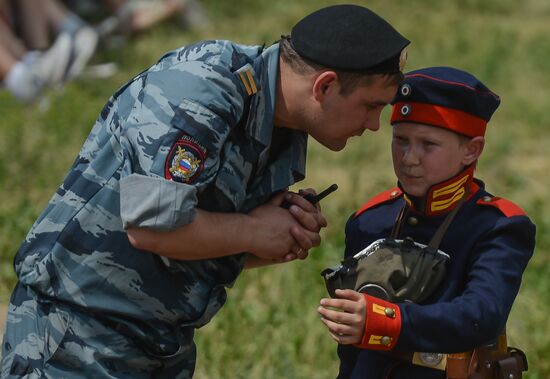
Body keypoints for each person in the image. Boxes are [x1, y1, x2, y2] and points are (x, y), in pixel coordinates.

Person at [1, 4, 409, 378]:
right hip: (74, 338)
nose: (373, 125)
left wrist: (277, 237)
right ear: (324, 86)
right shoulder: (203, 89)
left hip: (156, 344)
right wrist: (252, 230)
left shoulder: (283, 121)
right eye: (371, 106)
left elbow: (196, 244)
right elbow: (151, 227)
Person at [317, 67, 536, 378]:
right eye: (401, 140)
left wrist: (388, 321)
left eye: (428, 145)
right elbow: (351, 348)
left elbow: (481, 314)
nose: (409, 158)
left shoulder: (498, 226)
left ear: (471, 150)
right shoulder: (369, 220)